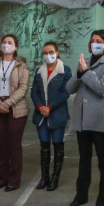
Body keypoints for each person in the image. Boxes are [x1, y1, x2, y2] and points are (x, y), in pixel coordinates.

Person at [67, 29, 104, 206]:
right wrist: (79, 73)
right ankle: (81, 195)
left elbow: (101, 87)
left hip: (101, 121)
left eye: (99, 41)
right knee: (84, 159)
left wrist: (86, 72)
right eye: (93, 40)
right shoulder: (84, 62)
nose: (95, 43)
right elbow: (70, 88)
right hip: (82, 120)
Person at [0, 35, 29, 191]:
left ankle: (14, 179)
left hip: (16, 109)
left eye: (10, 43)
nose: (6, 45)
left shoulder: (21, 66)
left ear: (15, 47)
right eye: (4, 42)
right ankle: (2, 177)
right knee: (1, 145)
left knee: (14, 145)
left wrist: (7, 103)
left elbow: (23, 88)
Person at [31, 41, 72, 191]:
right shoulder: (38, 70)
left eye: (51, 52)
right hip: (41, 115)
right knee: (44, 146)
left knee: (57, 145)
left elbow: (66, 93)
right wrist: (41, 107)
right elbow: (34, 92)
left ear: (57, 52)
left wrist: (50, 106)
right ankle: (44, 177)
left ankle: (55, 178)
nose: (48, 55)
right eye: (45, 53)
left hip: (57, 115)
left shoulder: (65, 71)